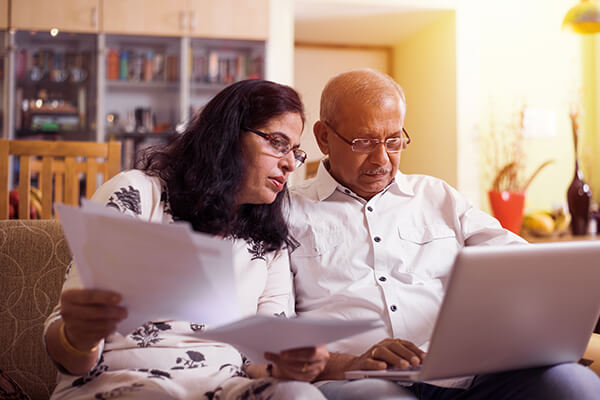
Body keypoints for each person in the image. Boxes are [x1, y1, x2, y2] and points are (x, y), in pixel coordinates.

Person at [287, 69, 600, 399]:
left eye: (394, 141)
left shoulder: (438, 196)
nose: (381, 159)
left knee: (572, 384)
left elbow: (527, 265)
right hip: (356, 380)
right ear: (323, 137)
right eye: (363, 142)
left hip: (463, 376)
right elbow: (273, 328)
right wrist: (349, 361)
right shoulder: (288, 212)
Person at [44, 79, 329, 400]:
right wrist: (78, 337)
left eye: (295, 151)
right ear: (228, 135)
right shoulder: (137, 193)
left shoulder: (269, 237)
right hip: (120, 382)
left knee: (300, 395)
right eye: (277, 143)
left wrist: (287, 364)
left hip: (224, 387)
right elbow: (67, 352)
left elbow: (259, 358)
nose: (290, 163)